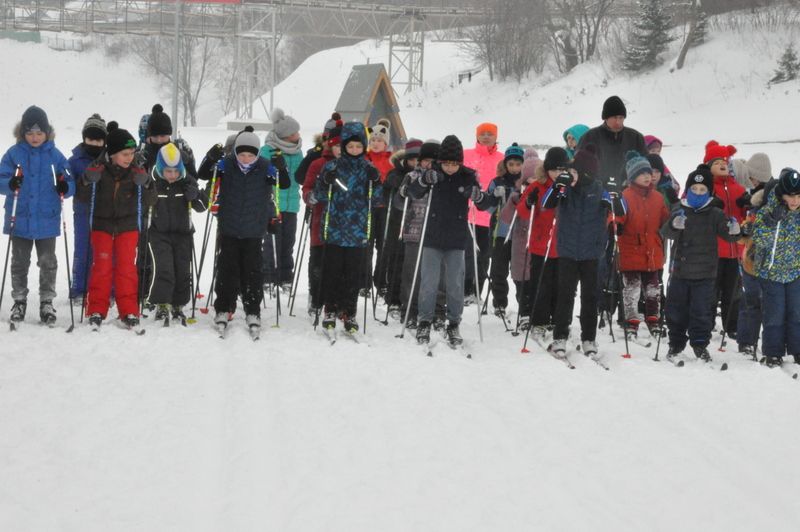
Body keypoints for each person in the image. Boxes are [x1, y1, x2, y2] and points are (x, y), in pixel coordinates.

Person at [541, 145, 625, 361]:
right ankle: (560, 336)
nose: (572, 175)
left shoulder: (599, 189)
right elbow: (546, 204)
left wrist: (615, 197)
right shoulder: (566, 187)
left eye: (577, 172)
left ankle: (589, 338)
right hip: (568, 250)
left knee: (590, 297)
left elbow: (622, 210)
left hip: (592, 252)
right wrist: (558, 185)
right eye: (572, 171)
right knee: (565, 295)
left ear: (589, 173)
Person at [408, 134, 487, 345]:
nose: (450, 168)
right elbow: (413, 192)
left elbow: (484, 202)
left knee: (454, 284)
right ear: (440, 161)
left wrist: (479, 196)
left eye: (454, 164)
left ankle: (453, 323)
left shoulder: (468, 176)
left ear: (460, 162)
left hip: (456, 238)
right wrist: (424, 180)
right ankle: (424, 321)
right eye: (446, 163)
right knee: (429, 283)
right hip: (432, 236)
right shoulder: (432, 174)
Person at [78, 122, 155, 329]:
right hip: (102, 226)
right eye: (124, 154)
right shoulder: (99, 168)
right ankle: (96, 308)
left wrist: (147, 183)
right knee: (101, 268)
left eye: (131, 152)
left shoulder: (136, 170)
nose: (129, 157)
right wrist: (86, 180)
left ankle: (129, 309)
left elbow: (151, 199)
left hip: (128, 227)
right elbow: (82, 196)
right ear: (112, 154)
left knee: (126, 269)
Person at [661, 164, 741, 362]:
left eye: (702, 190)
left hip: (706, 273)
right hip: (680, 272)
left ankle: (699, 344)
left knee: (702, 312)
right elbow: (665, 232)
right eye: (694, 190)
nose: (698, 193)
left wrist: (734, 230)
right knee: (676, 310)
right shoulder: (679, 209)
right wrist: (673, 225)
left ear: (709, 192)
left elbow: (729, 236)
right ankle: (676, 344)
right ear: (688, 190)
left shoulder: (715, 214)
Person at [0, 105, 72, 327]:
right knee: (20, 262)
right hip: (20, 218)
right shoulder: (14, 154)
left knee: (47, 261)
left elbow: (68, 179)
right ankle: (19, 300)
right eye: (30, 132)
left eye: (39, 133)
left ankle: (46, 301)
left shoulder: (55, 155)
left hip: (47, 219)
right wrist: (10, 183)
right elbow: (1, 178)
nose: (34, 137)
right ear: (22, 133)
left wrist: (64, 186)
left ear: (47, 133)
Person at [212, 127, 289, 334]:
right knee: (227, 270)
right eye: (242, 154)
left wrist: (281, 169)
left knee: (252, 272)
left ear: (257, 154)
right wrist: (212, 159)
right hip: (229, 228)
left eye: (251, 155)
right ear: (236, 152)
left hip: (254, 230)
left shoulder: (265, 167)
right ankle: (224, 307)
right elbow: (206, 176)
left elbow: (282, 186)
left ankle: (252, 309)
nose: (246, 159)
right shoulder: (227, 166)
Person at [313, 121, 382, 333]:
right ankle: (330, 308)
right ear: (343, 146)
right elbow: (320, 195)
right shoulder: (332, 167)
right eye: (350, 147)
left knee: (353, 273)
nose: (354, 150)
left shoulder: (369, 169)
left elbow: (377, 199)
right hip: (334, 228)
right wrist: (325, 181)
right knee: (332, 271)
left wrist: (376, 180)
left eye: (358, 147)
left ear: (364, 147)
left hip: (358, 229)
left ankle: (349, 311)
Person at [146, 143, 204, 325]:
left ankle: (178, 304)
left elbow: (202, 207)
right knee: (164, 268)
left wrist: (195, 196)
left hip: (182, 233)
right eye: (168, 171)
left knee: (182, 270)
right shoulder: (152, 183)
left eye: (175, 171)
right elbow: (140, 205)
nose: (172, 176)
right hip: (159, 233)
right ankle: (162, 304)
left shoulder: (187, 183)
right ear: (161, 169)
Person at [617, 151, 669, 341]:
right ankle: (631, 321)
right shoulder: (626, 196)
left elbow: (665, 220)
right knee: (632, 288)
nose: (648, 176)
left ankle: (653, 318)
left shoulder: (657, 197)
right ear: (632, 177)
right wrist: (616, 223)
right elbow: (616, 218)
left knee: (653, 288)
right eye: (642, 173)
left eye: (649, 173)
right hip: (631, 249)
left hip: (652, 249)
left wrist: (675, 222)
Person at [751, 168, 800, 367]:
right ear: (782, 195)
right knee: (775, 314)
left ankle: (797, 350)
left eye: (798, 196)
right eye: (791, 196)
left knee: (796, 313)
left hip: (795, 272)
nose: (795, 200)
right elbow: (759, 239)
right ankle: (773, 352)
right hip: (771, 273)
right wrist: (772, 221)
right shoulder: (767, 212)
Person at [396, 140, 447, 330]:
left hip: (438, 234)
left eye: (434, 160)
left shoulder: (444, 178)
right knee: (412, 273)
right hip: (414, 231)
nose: (429, 164)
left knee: (439, 274)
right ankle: (410, 310)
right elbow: (399, 204)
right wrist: (402, 194)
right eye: (425, 160)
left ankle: (438, 310)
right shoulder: (411, 176)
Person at [704, 140, 746, 339]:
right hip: (714, 249)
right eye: (717, 161)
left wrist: (748, 205)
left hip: (734, 250)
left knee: (734, 291)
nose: (722, 164)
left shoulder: (738, 188)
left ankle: (733, 325)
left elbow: (746, 215)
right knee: (711, 290)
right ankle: (707, 322)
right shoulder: (706, 187)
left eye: (725, 161)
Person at [260, 108, 303, 293]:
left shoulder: (298, 151)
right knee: (271, 242)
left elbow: (300, 176)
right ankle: (268, 276)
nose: (298, 135)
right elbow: (262, 176)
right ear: (285, 135)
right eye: (294, 133)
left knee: (288, 241)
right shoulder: (267, 150)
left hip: (291, 204)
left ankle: (286, 276)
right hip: (273, 203)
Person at [302, 117, 343, 317]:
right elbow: (307, 187)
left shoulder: (355, 165)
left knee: (339, 265)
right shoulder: (318, 163)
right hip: (321, 220)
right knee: (318, 263)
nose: (341, 150)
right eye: (337, 146)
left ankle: (335, 301)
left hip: (345, 226)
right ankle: (316, 298)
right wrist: (312, 197)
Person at [463, 122, 504, 304]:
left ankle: (477, 290)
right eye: (483, 134)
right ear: (477, 136)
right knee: (466, 253)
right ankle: (464, 290)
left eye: (490, 134)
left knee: (485, 254)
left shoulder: (501, 159)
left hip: (490, 216)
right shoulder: (466, 155)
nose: (486, 137)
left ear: (496, 137)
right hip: (466, 214)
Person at [381, 138, 422, 317]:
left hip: (418, 224)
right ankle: (394, 299)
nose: (414, 164)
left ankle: (414, 298)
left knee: (415, 263)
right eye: (411, 160)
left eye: (418, 160)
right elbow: (387, 188)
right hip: (397, 224)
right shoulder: (396, 174)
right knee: (397, 260)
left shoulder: (426, 176)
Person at [483, 143, 525, 316]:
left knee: (520, 271)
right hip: (500, 233)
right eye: (511, 164)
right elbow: (487, 208)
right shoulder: (497, 181)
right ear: (505, 164)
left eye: (518, 164)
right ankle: (500, 303)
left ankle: (524, 302)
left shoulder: (526, 181)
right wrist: (494, 197)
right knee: (499, 270)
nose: (514, 168)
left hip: (520, 234)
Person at [68, 113, 107, 301]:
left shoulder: (109, 159)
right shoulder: (75, 160)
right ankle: (79, 289)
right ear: (84, 138)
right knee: (83, 250)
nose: (94, 143)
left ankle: (108, 289)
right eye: (90, 139)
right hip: (83, 212)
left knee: (105, 253)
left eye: (99, 140)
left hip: (105, 213)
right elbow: (68, 182)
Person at [365, 118, 394, 295]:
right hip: (367, 206)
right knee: (366, 245)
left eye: (379, 141)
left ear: (385, 142)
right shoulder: (365, 158)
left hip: (385, 207)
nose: (376, 144)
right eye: (373, 140)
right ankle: (364, 281)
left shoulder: (391, 160)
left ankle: (381, 280)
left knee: (383, 245)